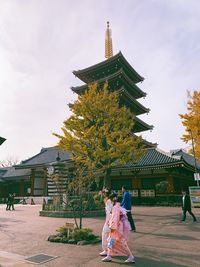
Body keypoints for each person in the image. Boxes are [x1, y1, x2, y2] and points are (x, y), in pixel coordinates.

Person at [102, 193, 135, 263]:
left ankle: (130, 256)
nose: (109, 201)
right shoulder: (118, 207)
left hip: (116, 228)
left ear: (113, 200)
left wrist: (112, 227)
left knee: (120, 242)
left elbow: (115, 219)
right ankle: (109, 255)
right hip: (116, 228)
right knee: (111, 241)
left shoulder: (115, 208)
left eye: (110, 200)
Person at [99, 188, 113, 256]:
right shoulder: (108, 200)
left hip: (109, 221)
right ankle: (107, 250)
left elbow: (110, 211)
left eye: (103, 193)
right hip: (109, 220)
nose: (102, 194)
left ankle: (107, 250)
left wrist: (109, 221)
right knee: (108, 236)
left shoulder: (108, 201)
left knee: (106, 235)